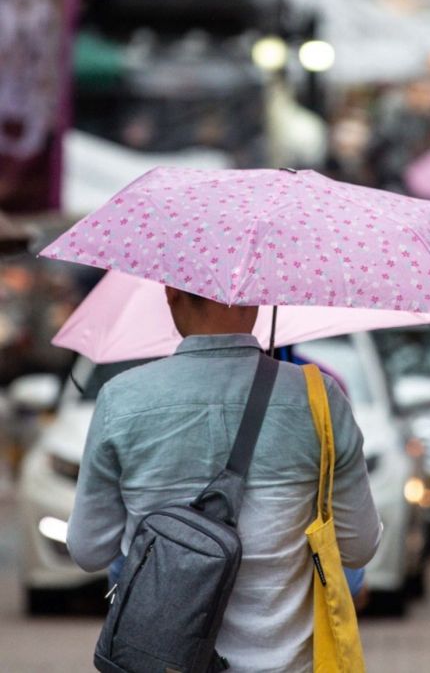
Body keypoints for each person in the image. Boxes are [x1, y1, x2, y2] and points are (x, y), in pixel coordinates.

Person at [66, 288, 382, 673]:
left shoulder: (120, 400)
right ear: (261, 298)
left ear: (170, 294)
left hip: (163, 662)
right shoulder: (319, 398)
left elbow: (88, 550)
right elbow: (359, 547)